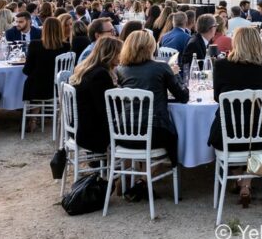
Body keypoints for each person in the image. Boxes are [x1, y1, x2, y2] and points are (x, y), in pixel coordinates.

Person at [208, 27, 262, 208]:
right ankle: (246, 183)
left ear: (236, 42)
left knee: (233, 135)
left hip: (228, 131)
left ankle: (240, 179)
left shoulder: (221, 65)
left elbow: (218, 98)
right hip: (258, 130)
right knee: (261, 143)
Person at [115, 30, 188, 166]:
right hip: (153, 133)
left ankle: (135, 179)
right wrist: (176, 74)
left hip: (123, 132)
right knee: (176, 135)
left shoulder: (120, 69)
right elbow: (183, 97)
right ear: (150, 47)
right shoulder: (161, 67)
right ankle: (144, 178)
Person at [68, 37, 122, 155]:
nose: (121, 57)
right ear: (110, 54)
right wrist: (121, 98)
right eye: (119, 53)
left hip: (78, 126)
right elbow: (104, 109)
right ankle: (124, 168)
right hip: (90, 133)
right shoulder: (101, 74)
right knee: (130, 132)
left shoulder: (87, 69)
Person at [22, 17, 69, 108]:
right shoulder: (66, 46)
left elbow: (26, 70)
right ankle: (58, 117)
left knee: (32, 80)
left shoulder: (35, 45)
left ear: (44, 29)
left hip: (37, 89)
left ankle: (33, 119)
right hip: (58, 88)